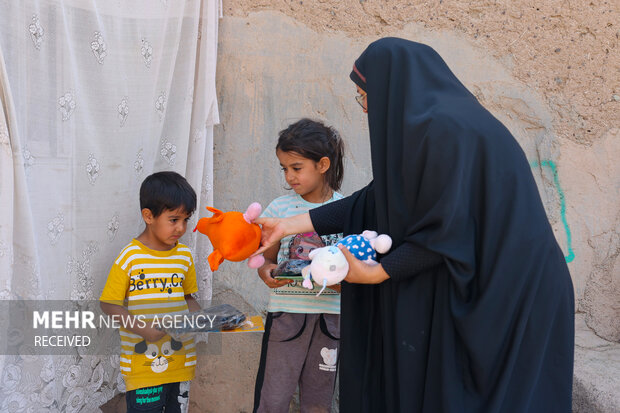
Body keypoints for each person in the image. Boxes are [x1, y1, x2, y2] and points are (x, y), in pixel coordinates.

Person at [254, 38, 575, 412]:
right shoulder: (434, 127)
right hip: (489, 283)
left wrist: (377, 273)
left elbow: (449, 230)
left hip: (512, 293)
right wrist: (286, 225)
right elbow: (375, 202)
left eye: (364, 95)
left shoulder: (448, 132)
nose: (366, 108)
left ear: (394, 87)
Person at [253, 118, 345, 413]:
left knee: (320, 397)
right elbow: (267, 258)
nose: (289, 176)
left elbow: (351, 266)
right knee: (274, 395)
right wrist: (265, 271)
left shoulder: (345, 209)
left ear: (322, 165)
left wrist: (341, 281)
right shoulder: (280, 208)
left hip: (331, 318)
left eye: (296, 168)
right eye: (284, 168)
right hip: (286, 314)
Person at [100, 171, 201, 413]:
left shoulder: (184, 257)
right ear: (148, 216)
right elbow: (109, 304)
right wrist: (143, 329)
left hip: (181, 361)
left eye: (186, 220)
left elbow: (188, 298)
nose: (181, 228)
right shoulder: (130, 257)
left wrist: (201, 318)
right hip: (143, 366)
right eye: (174, 219)